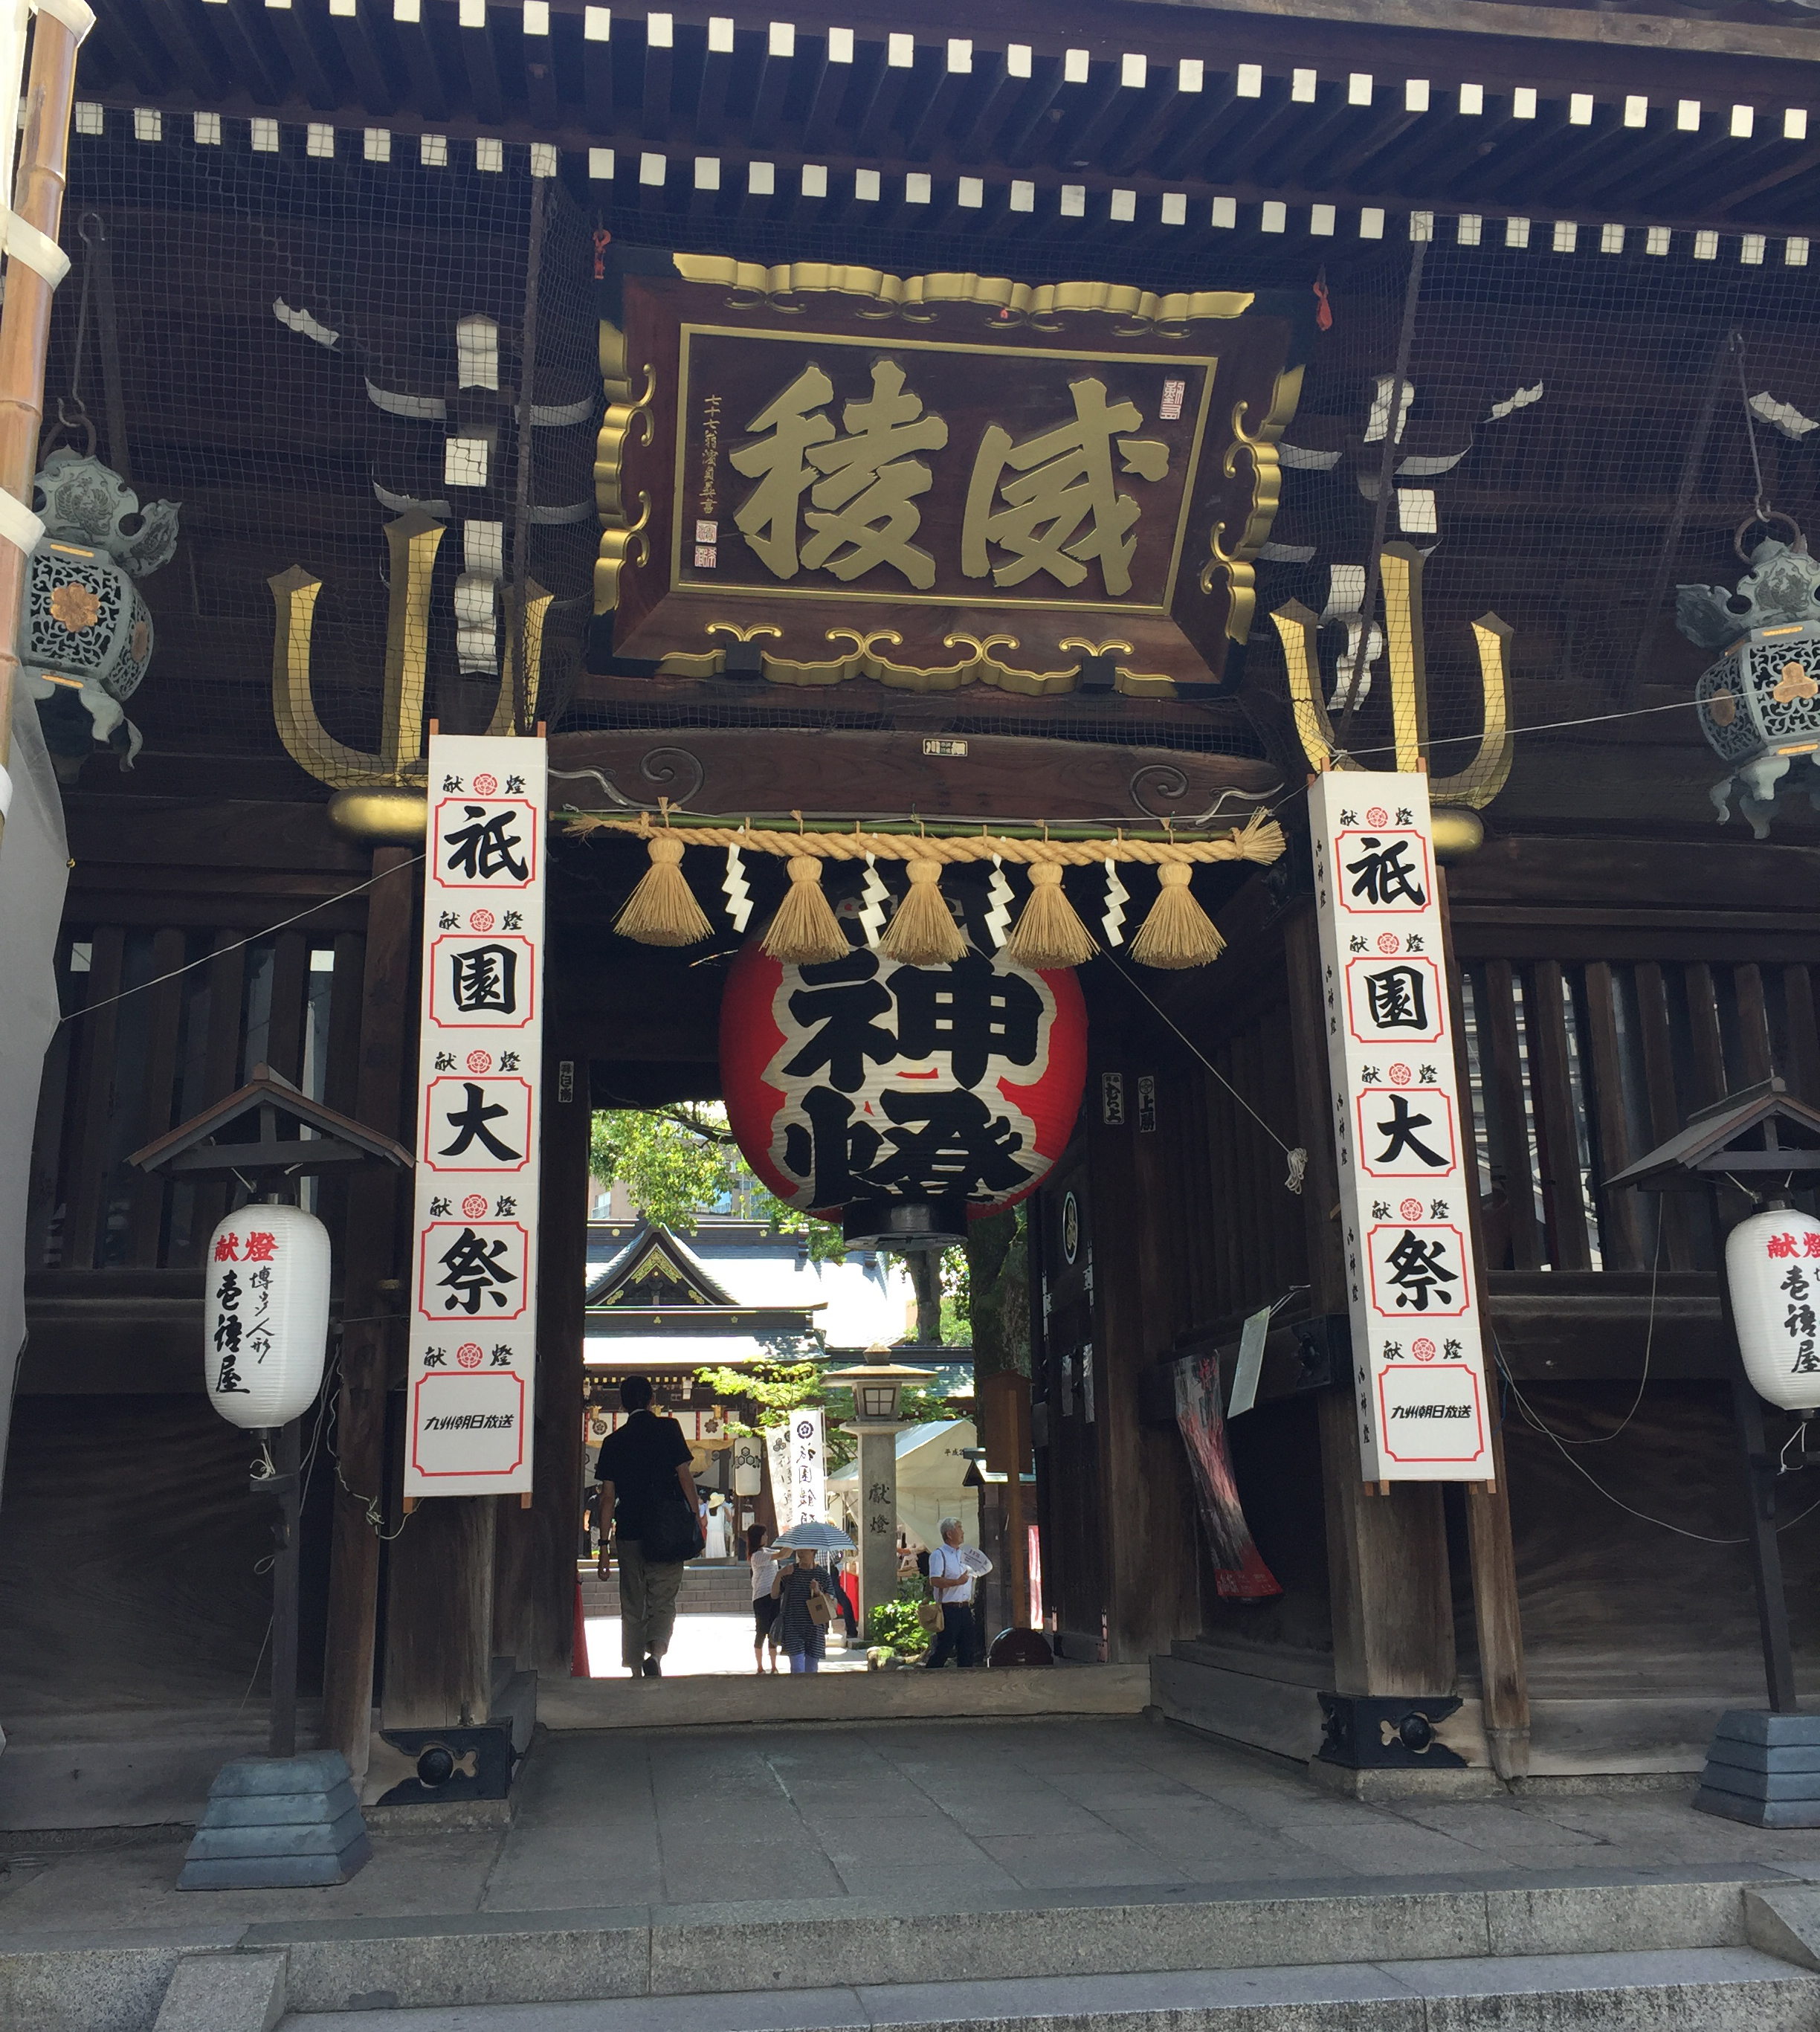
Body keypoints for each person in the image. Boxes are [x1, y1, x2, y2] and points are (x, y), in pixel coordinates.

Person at [593, 1375, 698, 1678]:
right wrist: (694, 1518)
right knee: (663, 1599)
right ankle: (657, 1653)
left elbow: (607, 1499)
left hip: (629, 1531)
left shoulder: (613, 1442)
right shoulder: (669, 1429)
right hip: (667, 1530)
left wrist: (603, 1549)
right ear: (652, 1400)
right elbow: (684, 1476)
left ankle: (636, 1667)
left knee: (632, 1601)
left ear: (623, 1404)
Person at [924, 1516, 991, 1669]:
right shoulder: (939, 1555)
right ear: (949, 1534)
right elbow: (934, 1580)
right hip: (949, 1609)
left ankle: (965, 1680)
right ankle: (928, 1677)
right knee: (944, 1648)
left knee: (967, 1648)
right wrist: (957, 1582)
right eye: (959, 1528)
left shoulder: (964, 1555)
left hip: (965, 1608)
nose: (963, 1532)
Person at [770, 1544, 833, 1674]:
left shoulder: (822, 1574)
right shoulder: (790, 1572)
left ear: (813, 1550)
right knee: (797, 1670)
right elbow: (774, 1594)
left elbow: (833, 1603)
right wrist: (779, 1574)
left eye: (804, 1550)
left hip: (815, 1629)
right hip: (793, 1627)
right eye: (798, 1549)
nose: (800, 1553)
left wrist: (818, 1592)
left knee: (812, 1671)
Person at [749, 1524, 781, 1673]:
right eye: (764, 1535)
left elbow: (780, 1554)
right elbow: (781, 1555)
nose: (767, 1537)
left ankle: (774, 1665)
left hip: (774, 1594)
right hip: (762, 1596)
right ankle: (760, 1666)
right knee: (761, 1631)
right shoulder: (757, 1556)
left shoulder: (767, 1551)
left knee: (773, 1631)